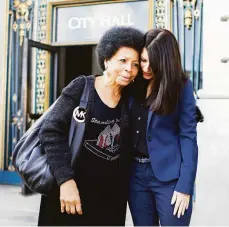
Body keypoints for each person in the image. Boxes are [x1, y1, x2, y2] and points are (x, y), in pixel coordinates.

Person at [37, 26, 144, 226]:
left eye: (135, 64)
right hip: (70, 195)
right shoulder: (82, 87)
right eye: (123, 60)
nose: (129, 69)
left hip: (109, 202)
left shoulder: (130, 98)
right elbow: (51, 130)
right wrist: (65, 181)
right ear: (106, 60)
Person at [128, 28, 198, 226]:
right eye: (143, 60)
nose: (146, 67)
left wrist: (186, 185)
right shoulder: (134, 85)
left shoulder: (181, 86)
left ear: (165, 60)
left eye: (153, 62)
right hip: (136, 177)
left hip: (170, 177)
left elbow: (188, 137)